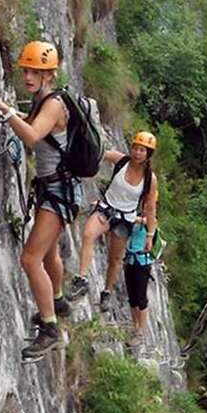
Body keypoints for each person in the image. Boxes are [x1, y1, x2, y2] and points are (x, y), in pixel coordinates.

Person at [0, 41, 83, 363]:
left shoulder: (53, 104)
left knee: (30, 259)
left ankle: (50, 329)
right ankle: (57, 301)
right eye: (25, 70)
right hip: (54, 189)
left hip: (58, 193)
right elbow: (31, 135)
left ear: (49, 75)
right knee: (50, 252)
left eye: (35, 72)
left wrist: (5, 109)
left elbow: (31, 136)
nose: (28, 76)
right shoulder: (43, 99)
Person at [67, 132, 158, 310]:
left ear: (148, 154)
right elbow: (100, 152)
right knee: (88, 234)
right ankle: (82, 278)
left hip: (126, 218)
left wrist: (149, 234)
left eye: (142, 150)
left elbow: (150, 207)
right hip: (107, 209)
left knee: (115, 259)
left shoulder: (150, 179)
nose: (137, 153)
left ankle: (107, 291)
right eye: (136, 148)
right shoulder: (121, 160)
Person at [123, 197, 158, 346]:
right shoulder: (137, 221)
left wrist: (130, 217)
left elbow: (149, 222)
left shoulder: (151, 222)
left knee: (141, 298)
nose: (144, 208)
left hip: (142, 263)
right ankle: (134, 326)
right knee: (132, 298)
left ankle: (140, 332)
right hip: (130, 260)